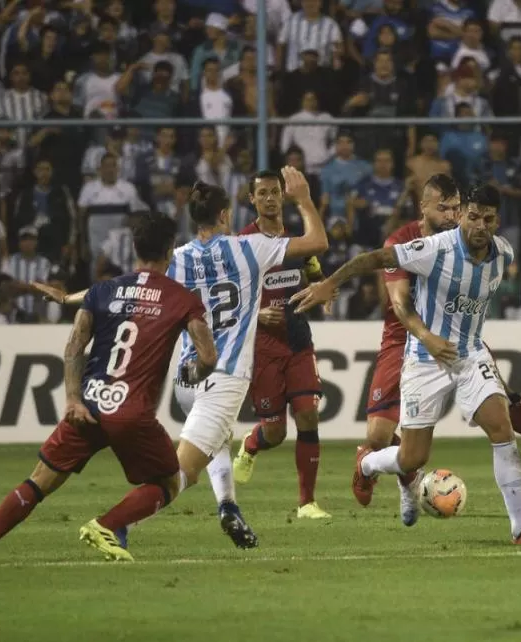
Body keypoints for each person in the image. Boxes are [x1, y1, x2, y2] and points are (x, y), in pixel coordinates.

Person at [34, 167, 329, 548]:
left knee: (218, 439)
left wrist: (68, 297)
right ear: (225, 215)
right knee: (178, 475)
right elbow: (318, 242)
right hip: (224, 374)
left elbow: (124, 285)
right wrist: (302, 198)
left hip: (188, 378)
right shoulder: (249, 248)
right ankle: (112, 523)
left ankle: (228, 507)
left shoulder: (179, 259)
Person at [0, 213, 217, 566]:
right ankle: (106, 526)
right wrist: (193, 372)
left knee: (39, 481)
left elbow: (74, 346)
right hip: (131, 412)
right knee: (169, 482)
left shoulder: (103, 290)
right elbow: (208, 356)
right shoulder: (181, 298)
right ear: (170, 251)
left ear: (134, 249)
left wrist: (72, 398)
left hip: (88, 405)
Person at [291, 182, 521, 545]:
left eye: (487, 219)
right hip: (424, 359)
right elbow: (374, 259)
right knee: (412, 457)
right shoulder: (434, 249)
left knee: (501, 428)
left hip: (469, 355)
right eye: (472, 216)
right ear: (463, 216)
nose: (478, 225)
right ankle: (367, 464)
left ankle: (520, 528)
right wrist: (330, 283)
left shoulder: (504, 254)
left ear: (497, 222)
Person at [360, 174, 461, 526]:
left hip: (450, 336)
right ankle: (405, 482)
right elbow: (400, 304)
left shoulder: (462, 241)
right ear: (424, 206)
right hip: (402, 339)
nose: (451, 215)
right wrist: (426, 336)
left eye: (456, 208)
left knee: (499, 407)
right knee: (376, 437)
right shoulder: (400, 241)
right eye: (443, 207)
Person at [230, 170, 330, 520]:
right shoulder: (242, 244)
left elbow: (314, 268)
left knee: (307, 414)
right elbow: (228, 300)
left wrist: (323, 288)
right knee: (275, 431)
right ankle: (251, 445)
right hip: (262, 349)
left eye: (275, 192)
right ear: (252, 200)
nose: (270, 198)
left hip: (298, 341)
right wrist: (256, 315)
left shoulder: (295, 243)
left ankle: (307, 502)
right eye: (263, 193)